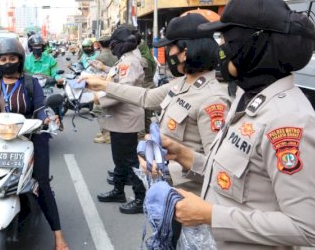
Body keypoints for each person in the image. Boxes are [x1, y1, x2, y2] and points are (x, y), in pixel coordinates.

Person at [164, 0, 315, 249]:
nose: (220, 49)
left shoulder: (289, 121)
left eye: (228, 39)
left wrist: (210, 215)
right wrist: (184, 156)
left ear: (254, 46)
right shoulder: (248, 98)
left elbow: (307, 229)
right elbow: (234, 178)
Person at [82, 13, 232, 193]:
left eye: (170, 47)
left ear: (184, 53)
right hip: (167, 192)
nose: (168, 53)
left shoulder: (213, 99)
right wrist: (105, 85)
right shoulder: (182, 83)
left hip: (191, 199)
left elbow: (217, 167)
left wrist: (171, 168)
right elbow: (146, 97)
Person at [0, 39, 69, 250]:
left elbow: (39, 108)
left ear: (20, 61)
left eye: (12, 58)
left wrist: (46, 119)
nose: (8, 62)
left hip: (29, 136)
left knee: (42, 183)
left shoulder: (30, 82)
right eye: (3, 59)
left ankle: (58, 235)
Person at [90, 26, 147, 214]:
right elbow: (118, 80)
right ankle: (118, 190)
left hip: (126, 118)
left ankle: (140, 198)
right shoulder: (125, 60)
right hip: (120, 118)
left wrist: (98, 97)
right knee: (119, 159)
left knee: (130, 160)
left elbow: (122, 92)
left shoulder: (130, 62)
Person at [91, 35, 118, 144]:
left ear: (100, 44)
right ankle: (107, 132)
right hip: (115, 85)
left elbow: (97, 74)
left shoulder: (100, 57)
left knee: (99, 110)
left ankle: (106, 134)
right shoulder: (116, 55)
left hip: (103, 86)